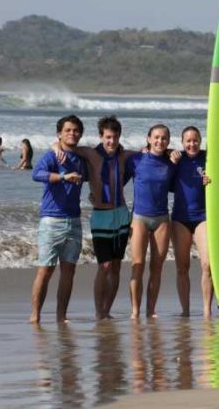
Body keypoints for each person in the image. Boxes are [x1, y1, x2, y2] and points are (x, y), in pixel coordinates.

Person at [53, 116, 136, 319]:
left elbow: (150, 153)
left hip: (121, 214)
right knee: (104, 265)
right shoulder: (90, 153)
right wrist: (55, 147)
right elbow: (66, 145)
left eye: (115, 137)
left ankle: (107, 311)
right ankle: (99, 311)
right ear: (101, 136)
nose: (111, 141)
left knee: (116, 265)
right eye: (108, 137)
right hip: (101, 215)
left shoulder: (124, 156)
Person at [29, 115, 87, 324]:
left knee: (69, 270)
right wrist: (63, 176)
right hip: (51, 219)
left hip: (74, 220)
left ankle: (61, 316)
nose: (72, 133)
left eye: (76, 130)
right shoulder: (53, 156)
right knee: (45, 269)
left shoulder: (81, 159)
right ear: (59, 134)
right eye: (68, 130)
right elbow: (36, 174)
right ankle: (35, 316)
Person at [126, 124, 177, 318]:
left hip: (162, 219)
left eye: (164, 138)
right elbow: (115, 176)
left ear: (168, 141)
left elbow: (181, 183)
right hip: (139, 217)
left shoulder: (171, 163)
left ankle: (151, 310)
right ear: (148, 139)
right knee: (137, 265)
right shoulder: (136, 160)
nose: (160, 141)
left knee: (157, 268)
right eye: (156, 137)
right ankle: (135, 311)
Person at [171, 126, 213, 317]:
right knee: (182, 267)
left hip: (203, 217)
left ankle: (206, 310)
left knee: (207, 265)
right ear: (182, 142)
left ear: (200, 140)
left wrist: (212, 180)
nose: (192, 144)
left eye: (195, 140)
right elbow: (154, 153)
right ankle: (185, 310)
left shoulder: (209, 158)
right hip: (180, 218)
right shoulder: (175, 159)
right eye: (188, 140)